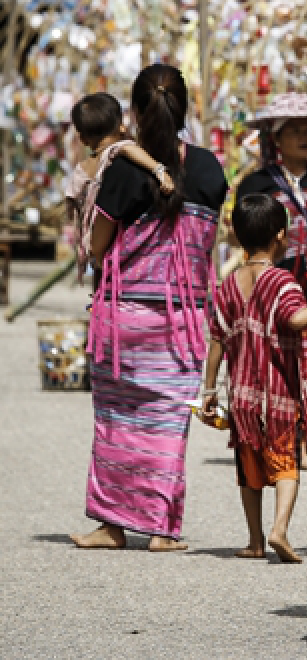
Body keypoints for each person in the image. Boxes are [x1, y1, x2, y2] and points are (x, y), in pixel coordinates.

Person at [71, 63, 229, 551]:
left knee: (116, 421)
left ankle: (112, 526)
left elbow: (98, 246)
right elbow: (208, 240)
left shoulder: (123, 170)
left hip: (124, 320)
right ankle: (161, 529)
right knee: (167, 426)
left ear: (135, 114)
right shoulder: (209, 168)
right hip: (181, 320)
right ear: (183, 109)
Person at [201, 194, 307, 564]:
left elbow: (217, 339)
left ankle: (255, 540)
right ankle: (279, 529)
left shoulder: (230, 283)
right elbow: (295, 319)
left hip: (241, 395)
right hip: (278, 395)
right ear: (280, 236)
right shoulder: (281, 281)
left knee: (249, 467)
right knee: (285, 462)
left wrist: (209, 389)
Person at [238, 92, 307, 470]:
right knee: (276, 363)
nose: (304, 137)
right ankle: (274, 438)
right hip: (275, 285)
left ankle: (304, 440)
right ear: (276, 139)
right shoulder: (258, 184)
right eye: (295, 130)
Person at [65, 93, 175, 281]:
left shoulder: (82, 169)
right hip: (115, 247)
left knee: (101, 289)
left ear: (82, 139)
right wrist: (160, 171)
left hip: (94, 247)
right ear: (122, 126)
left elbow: (72, 204)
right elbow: (129, 148)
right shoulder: (119, 151)